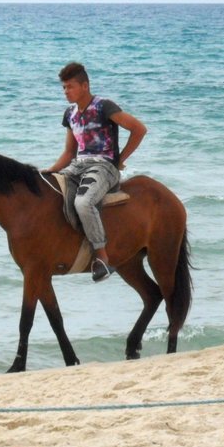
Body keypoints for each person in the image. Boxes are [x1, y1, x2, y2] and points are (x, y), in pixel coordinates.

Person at [47, 62, 147, 282]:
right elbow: (69, 152)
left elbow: (139, 129)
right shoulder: (70, 114)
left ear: (85, 85)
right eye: (63, 87)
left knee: (83, 203)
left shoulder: (104, 106)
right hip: (77, 166)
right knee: (50, 194)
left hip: (103, 167)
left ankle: (101, 258)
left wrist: (119, 160)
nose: (65, 91)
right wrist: (49, 171)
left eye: (70, 86)